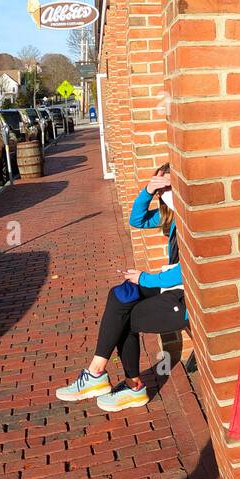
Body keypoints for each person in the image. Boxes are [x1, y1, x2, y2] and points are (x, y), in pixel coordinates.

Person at [57, 164, 185, 412]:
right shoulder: (171, 215)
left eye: (167, 187)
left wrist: (147, 279)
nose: (163, 194)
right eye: (161, 190)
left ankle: (131, 386)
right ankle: (98, 373)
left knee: (125, 317)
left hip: (185, 297)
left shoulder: (193, 217)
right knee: (120, 295)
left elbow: (188, 270)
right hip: (170, 284)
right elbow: (137, 219)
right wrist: (148, 190)